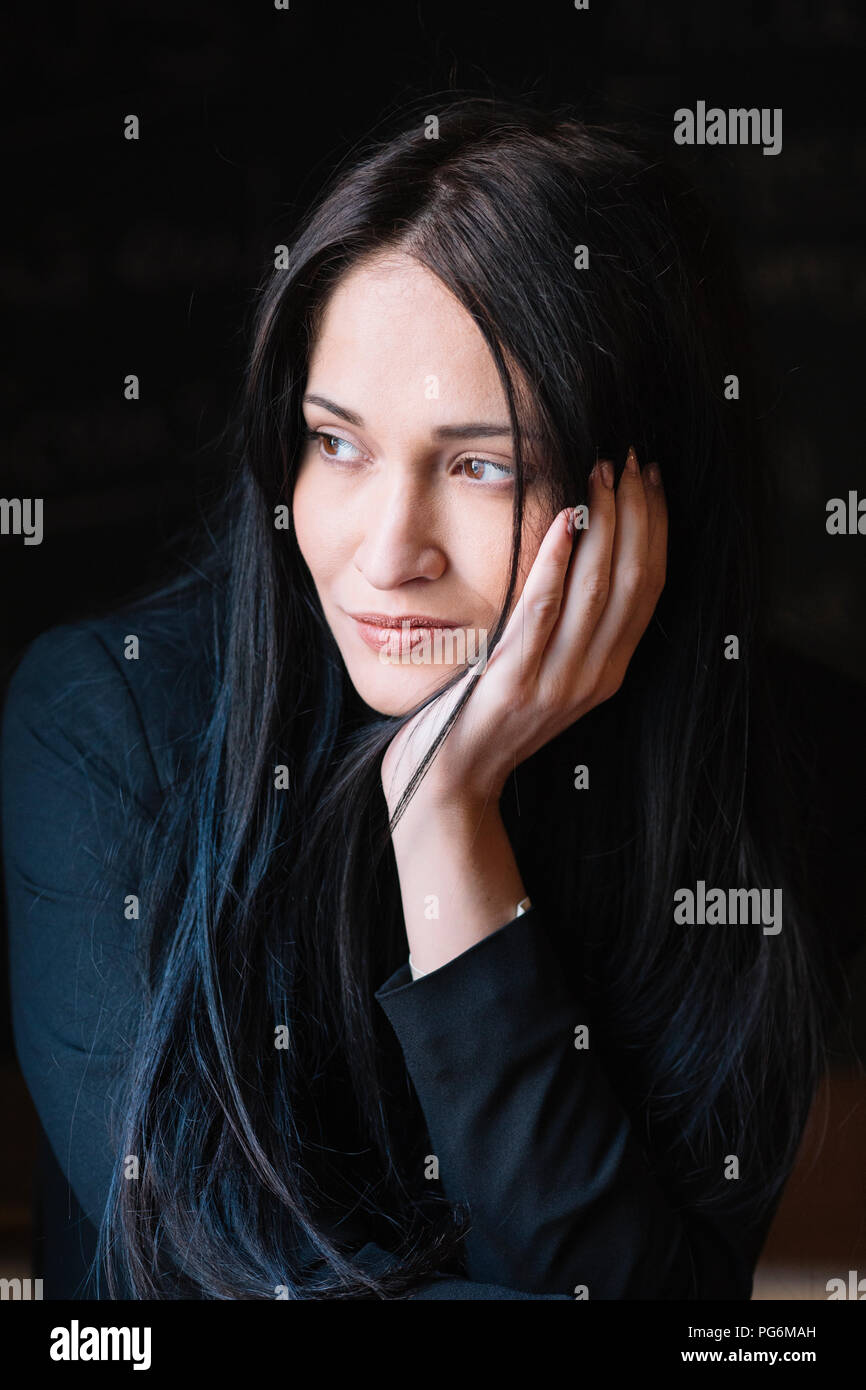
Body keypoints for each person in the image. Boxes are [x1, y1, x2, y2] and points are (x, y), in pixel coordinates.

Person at [2, 95, 861, 1301]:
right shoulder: (107, 727)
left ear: (641, 496)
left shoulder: (793, 761)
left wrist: (448, 821)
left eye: (481, 464)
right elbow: (225, 1279)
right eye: (336, 444)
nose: (384, 550)